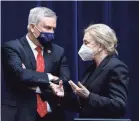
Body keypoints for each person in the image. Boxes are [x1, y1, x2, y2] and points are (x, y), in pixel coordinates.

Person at [1, 6, 70, 121]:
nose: (51, 33)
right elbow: (20, 74)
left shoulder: (58, 51)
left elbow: (65, 80)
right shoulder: (12, 47)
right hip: (19, 113)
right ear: (33, 27)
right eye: (48, 28)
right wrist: (50, 77)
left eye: (53, 29)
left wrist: (36, 84)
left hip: (51, 114)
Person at [66, 24, 129, 118]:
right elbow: (83, 105)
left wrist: (89, 96)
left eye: (86, 43)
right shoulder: (91, 68)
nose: (82, 47)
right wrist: (62, 96)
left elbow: (119, 105)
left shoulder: (116, 67)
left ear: (100, 45)